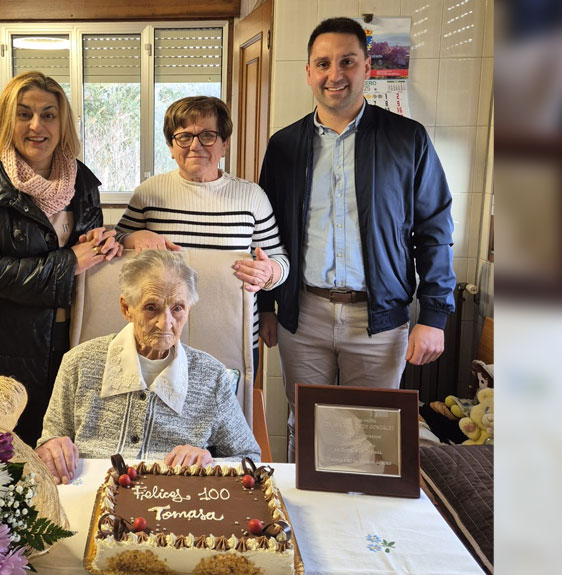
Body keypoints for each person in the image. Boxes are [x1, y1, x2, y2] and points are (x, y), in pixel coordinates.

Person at [257, 18, 455, 461]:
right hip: (302, 316)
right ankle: (306, 527)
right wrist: (267, 307)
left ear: (368, 66)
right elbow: (265, 233)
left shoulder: (408, 139)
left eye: (347, 61)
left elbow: (435, 229)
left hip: (379, 319)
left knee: (373, 434)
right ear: (308, 72)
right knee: (306, 429)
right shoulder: (284, 145)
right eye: (323, 63)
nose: (335, 74)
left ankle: (366, 529)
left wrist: (436, 315)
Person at [0, 71, 121, 446]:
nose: (36, 125)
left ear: (62, 124)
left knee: (56, 452)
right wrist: (68, 262)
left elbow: (88, 259)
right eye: (24, 114)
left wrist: (109, 242)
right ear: (6, 120)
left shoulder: (84, 184)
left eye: (48, 114)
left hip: (66, 343)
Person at [35, 250, 261, 484]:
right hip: (90, 494)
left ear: (188, 311)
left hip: (176, 506)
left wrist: (209, 461)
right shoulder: (79, 363)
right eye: (151, 308)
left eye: (177, 308)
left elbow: (250, 457)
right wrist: (51, 449)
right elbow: (50, 443)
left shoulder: (211, 376)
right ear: (126, 308)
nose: (166, 323)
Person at [115, 96, 289, 356]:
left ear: (224, 144)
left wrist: (269, 272)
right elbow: (116, 244)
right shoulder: (148, 193)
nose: (195, 146)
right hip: (160, 336)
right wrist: (133, 237)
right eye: (184, 137)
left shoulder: (252, 197)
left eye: (207, 135)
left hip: (232, 337)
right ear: (171, 147)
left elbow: (280, 260)